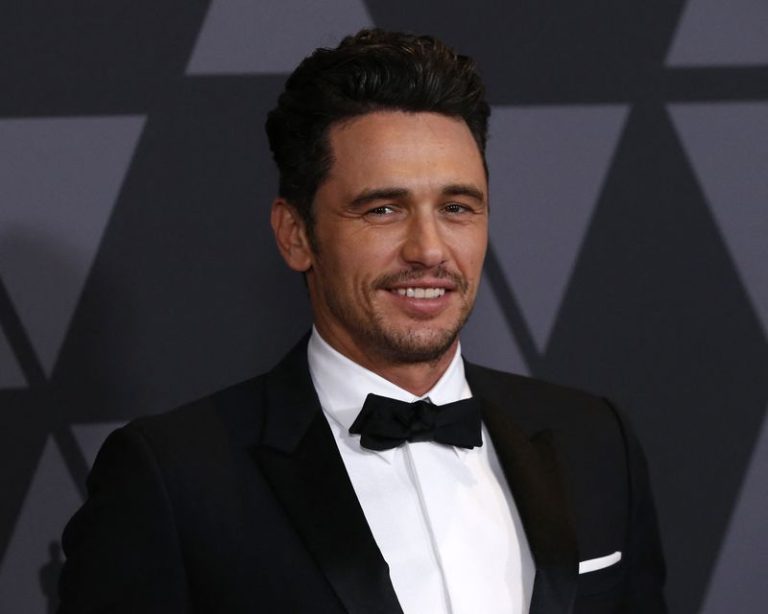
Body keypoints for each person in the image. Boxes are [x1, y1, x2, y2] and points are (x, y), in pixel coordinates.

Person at [58, 29, 666, 613]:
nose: (429, 249)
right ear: (296, 235)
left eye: (456, 207)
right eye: (383, 209)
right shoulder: (176, 479)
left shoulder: (595, 441)